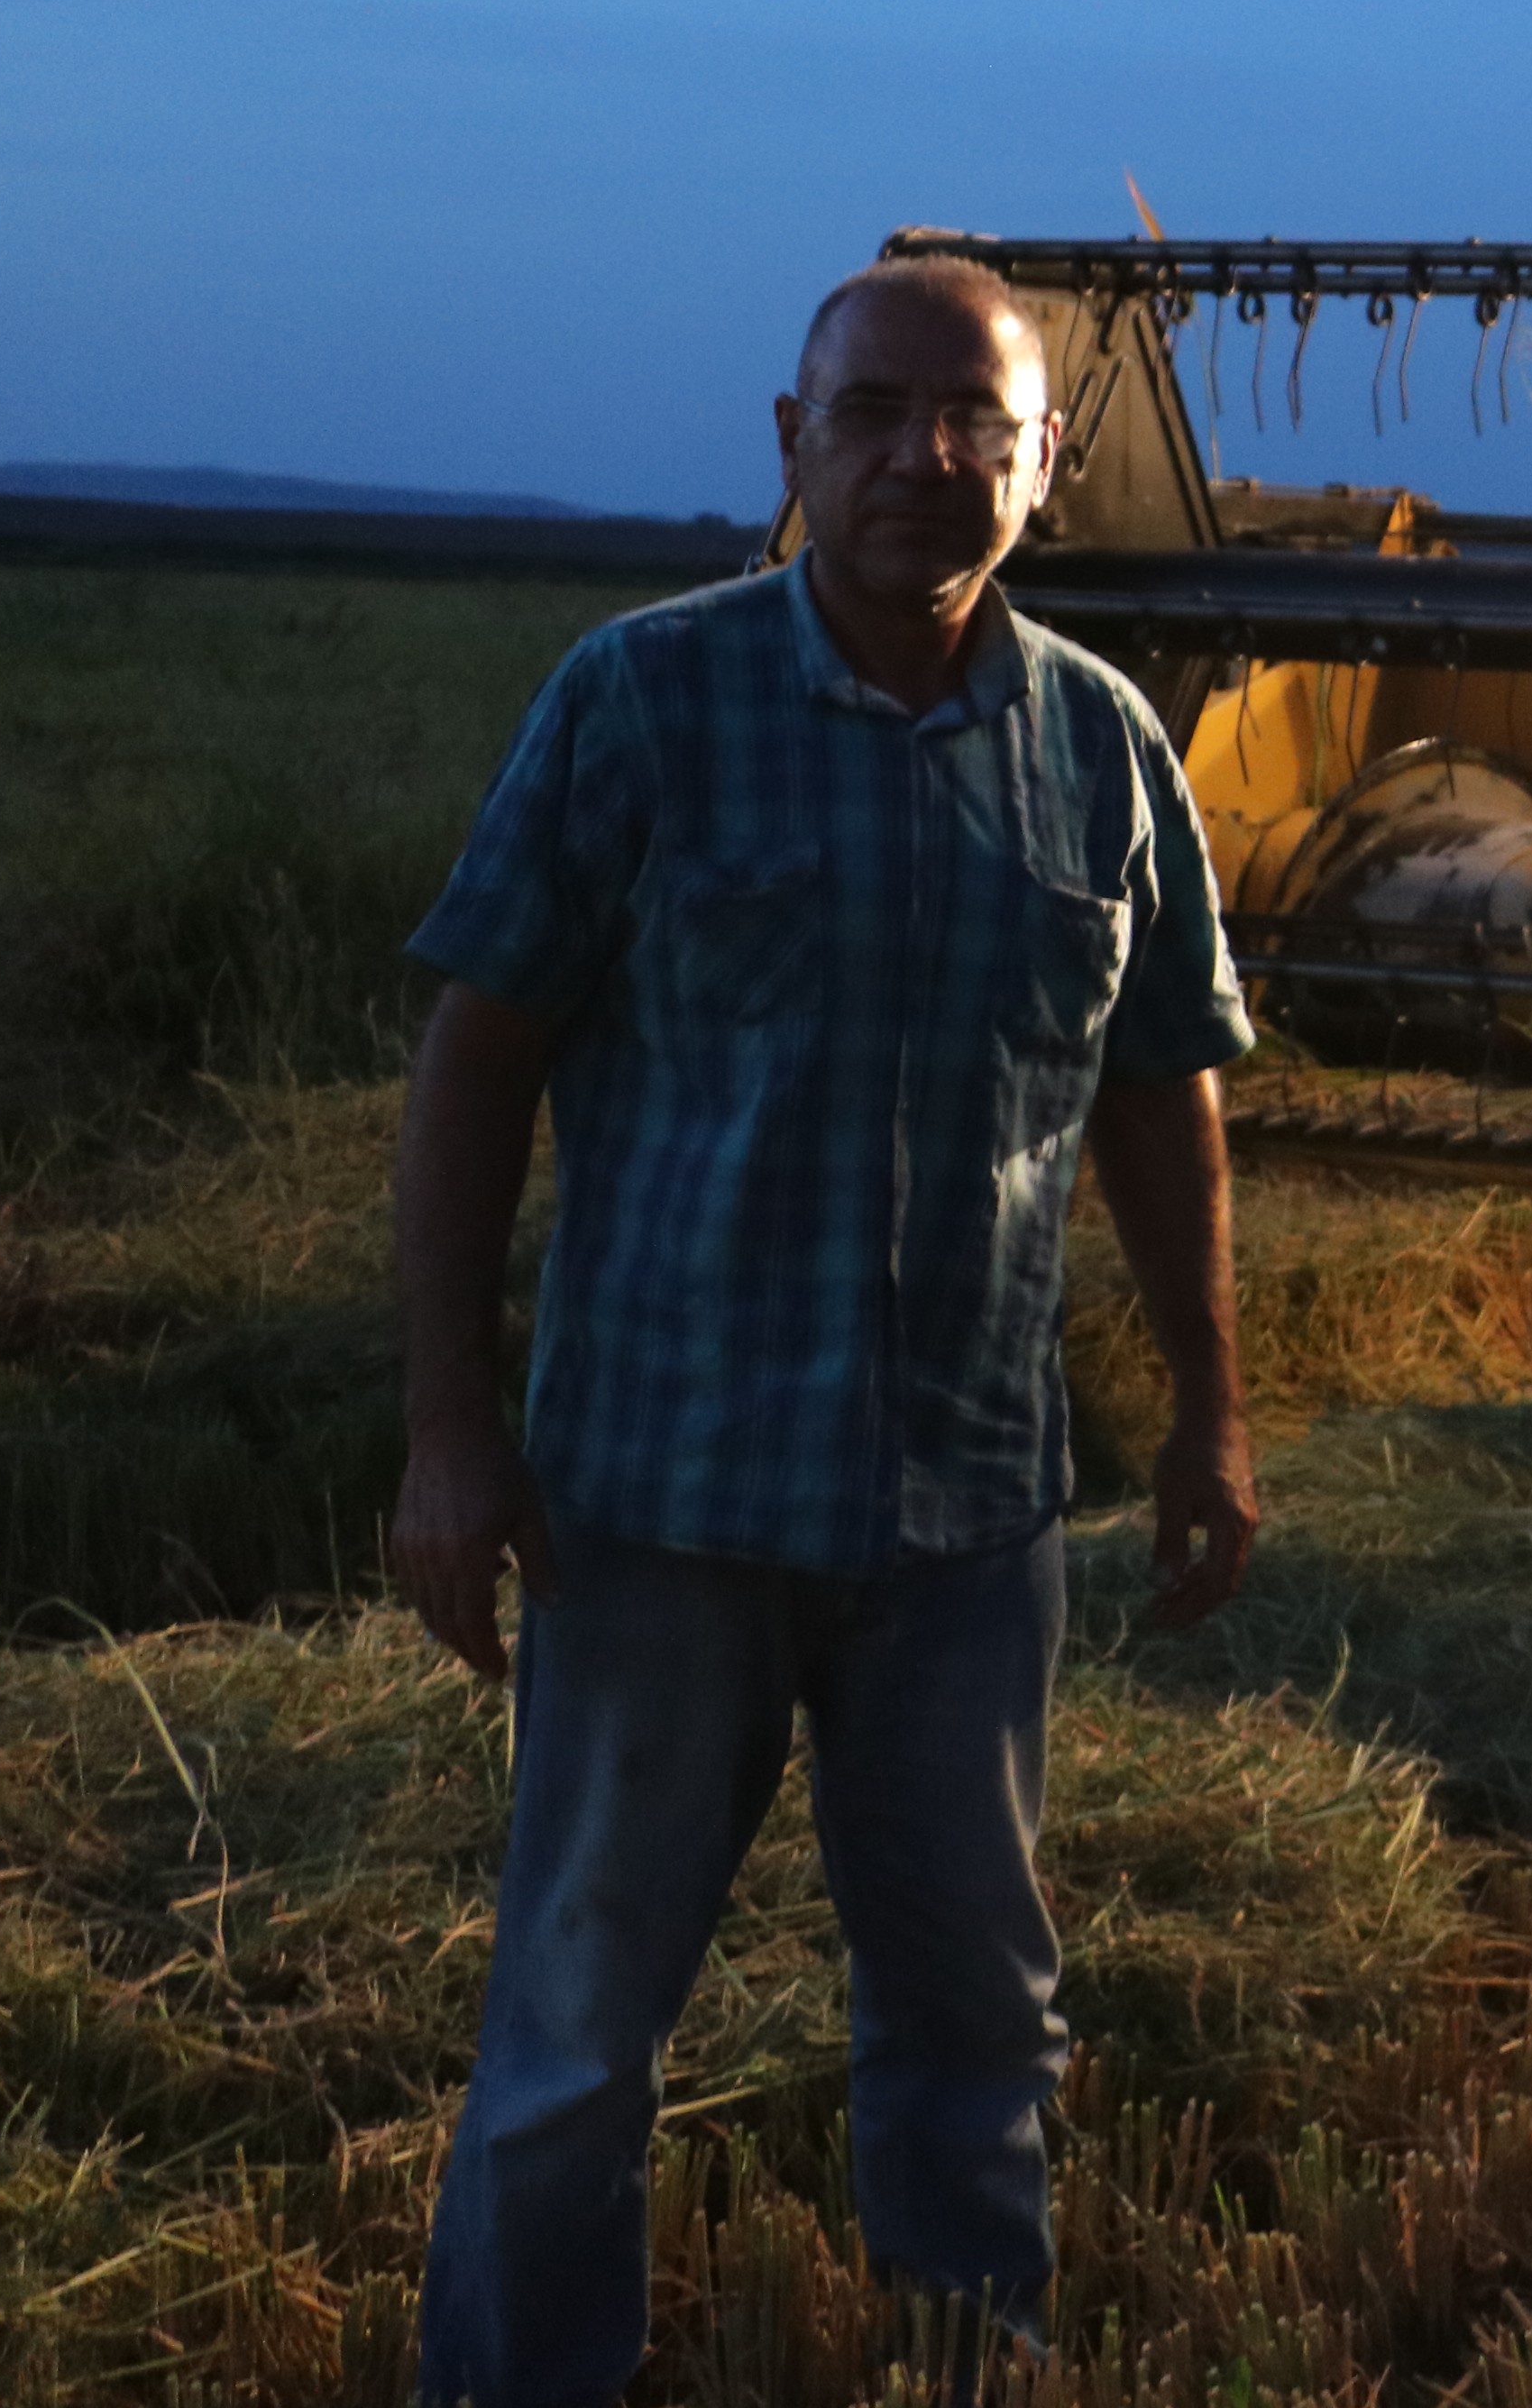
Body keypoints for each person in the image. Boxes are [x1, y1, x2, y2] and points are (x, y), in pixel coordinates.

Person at [390, 252, 1260, 2406]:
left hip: (965, 1521)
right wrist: (449, 1431)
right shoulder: (640, 700)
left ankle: (973, 2373)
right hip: (660, 1508)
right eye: (870, 413)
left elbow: (1163, 1099)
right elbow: (475, 1058)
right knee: (577, 2043)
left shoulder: (1104, 752)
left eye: (975, 418)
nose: (922, 456)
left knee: (978, 2038)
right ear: (791, 445)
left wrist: (1213, 1408)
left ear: (1045, 465)